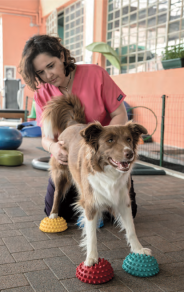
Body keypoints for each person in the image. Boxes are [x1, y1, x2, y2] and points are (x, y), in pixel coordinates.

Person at [19, 34, 137, 222]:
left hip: (103, 159)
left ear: (62, 56)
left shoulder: (95, 74)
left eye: (50, 66)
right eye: (40, 72)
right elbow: (46, 137)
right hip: (69, 162)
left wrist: (100, 146)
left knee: (121, 213)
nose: (48, 75)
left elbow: (120, 115)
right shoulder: (42, 94)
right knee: (57, 212)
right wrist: (54, 148)